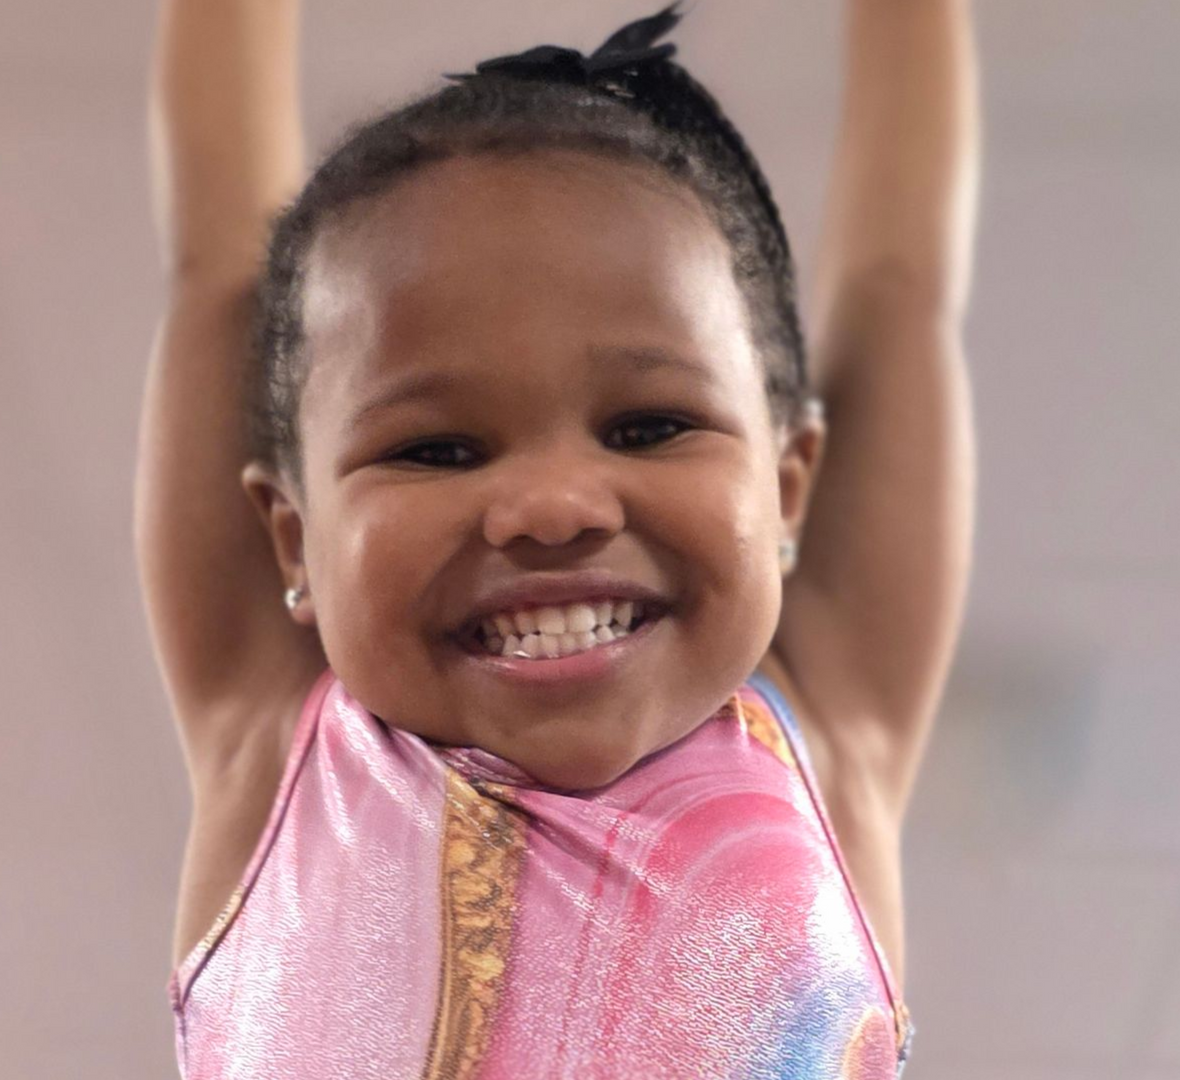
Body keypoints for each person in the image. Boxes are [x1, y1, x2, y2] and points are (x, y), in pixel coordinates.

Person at [138, 0, 977, 1075]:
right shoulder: (278, 750)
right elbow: (219, 272)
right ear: (293, 543)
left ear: (788, 488)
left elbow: (900, 289)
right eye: (438, 449)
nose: (553, 504)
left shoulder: (825, 726)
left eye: (649, 426)